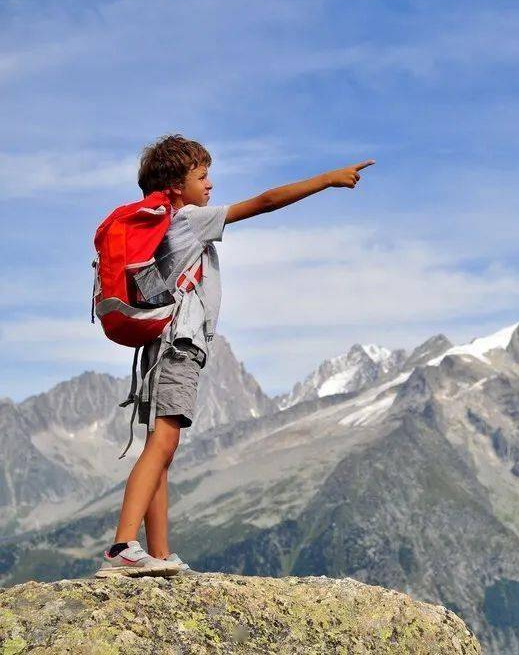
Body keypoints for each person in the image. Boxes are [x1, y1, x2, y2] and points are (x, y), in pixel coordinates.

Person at [95, 134, 373, 577]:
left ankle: (159, 555)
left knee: (160, 449)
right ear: (174, 186)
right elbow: (263, 202)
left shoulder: (168, 225)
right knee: (164, 443)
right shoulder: (188, 220)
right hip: (178, 344)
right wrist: (327, 180)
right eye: (201, 176)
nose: (210, 185)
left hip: (158, 342)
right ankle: (122, 548)